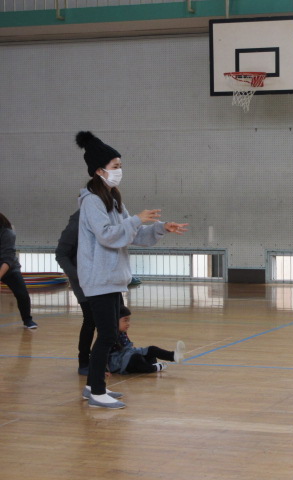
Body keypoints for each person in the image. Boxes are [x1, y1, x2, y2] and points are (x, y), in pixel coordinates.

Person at [76, 130, 188, 409]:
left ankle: (92, 387)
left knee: (109, 334)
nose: (119, 171)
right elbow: (107, 235)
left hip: (114, 279)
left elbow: (132, 235)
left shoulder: (114, 200)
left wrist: (160, 228)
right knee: (108, 335)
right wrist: (136, 220)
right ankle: (98, 390)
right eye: (115, 167)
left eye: (120, 166)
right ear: (99, 170)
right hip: (99, 278)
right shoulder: (91, 201)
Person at [55, 210, 94, 375]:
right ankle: (84, 362)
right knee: (91, 321)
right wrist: (78, 275)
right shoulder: (77, 223)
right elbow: (61, 254)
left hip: (106, 281)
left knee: (116, 318)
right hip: (84, 283)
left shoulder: (106, 216)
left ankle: (115, 356)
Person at [107, 306, 185, 374]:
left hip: (129, 355)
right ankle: (153, 368)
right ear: (115, 320)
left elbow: (128, 347)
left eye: (128, 320)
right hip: (120, 363)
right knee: (137, 358)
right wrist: (105, 370)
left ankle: (174, 356)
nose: (128, 323)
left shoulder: (123, 333)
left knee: (151, 349)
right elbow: (102, 354)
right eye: (125, 320)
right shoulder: (109, 336)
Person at [0, 213, 37, 329]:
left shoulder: (8, 233)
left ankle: (27, 320)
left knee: (22, 294)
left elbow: (8, 259)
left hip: (9, 268)